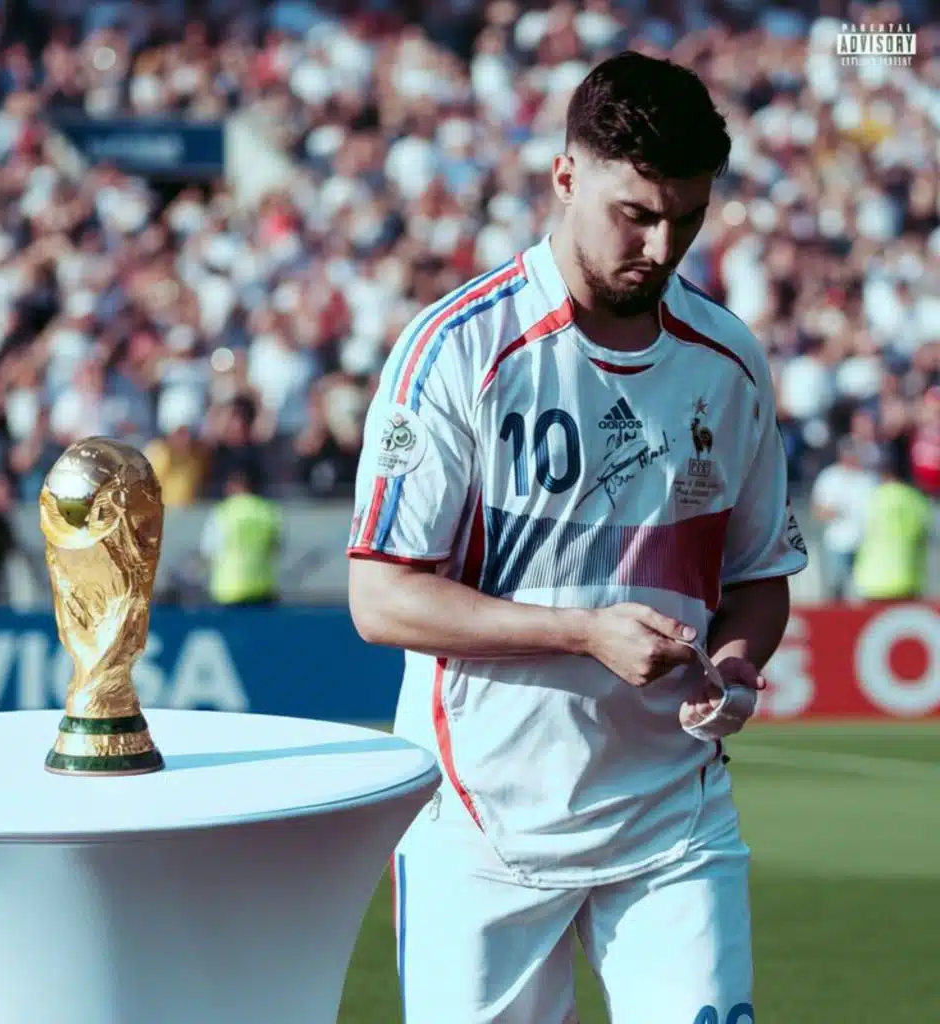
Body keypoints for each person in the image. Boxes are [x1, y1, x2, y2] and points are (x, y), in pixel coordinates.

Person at [346, 51, 807, 1024]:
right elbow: (381, 598)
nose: (661, 244)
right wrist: (584, 632)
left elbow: (759, 576)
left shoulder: (727, 361)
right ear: (565, 176)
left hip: (672, 816)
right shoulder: (457, 349)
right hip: (481, 824)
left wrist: (735, 663)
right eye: (635, 213)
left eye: (687, 217)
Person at [853, 452, 931, 602]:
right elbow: (925, 532)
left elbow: (857, 531)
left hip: (873, 579)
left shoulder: (873, 497)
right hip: (908, 578)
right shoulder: (917, 499)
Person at [199, 469, 282, 606]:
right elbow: (276, 547)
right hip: (262, 589)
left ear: (234, 486)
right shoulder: (268, 511)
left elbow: (208, 550)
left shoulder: (223, 512)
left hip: (228, 590)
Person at [810, 436, 877, 600]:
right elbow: (817, 510)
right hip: (837, 543)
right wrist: (835, 512)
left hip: (865, 543)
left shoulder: (869, 479)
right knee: (836, 588)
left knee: (862, 591)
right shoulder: (829, 477)